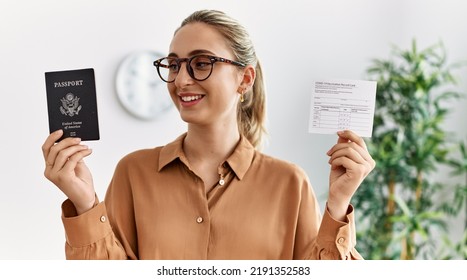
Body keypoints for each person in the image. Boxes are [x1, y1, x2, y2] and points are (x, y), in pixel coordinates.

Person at [42, 9, 375, 260]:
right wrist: (85, 202)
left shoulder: (290, 184)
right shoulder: (133, 172)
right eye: (174, 65)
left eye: (201, 63)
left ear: (245, 79)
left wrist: (338, 205)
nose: (182, 80)